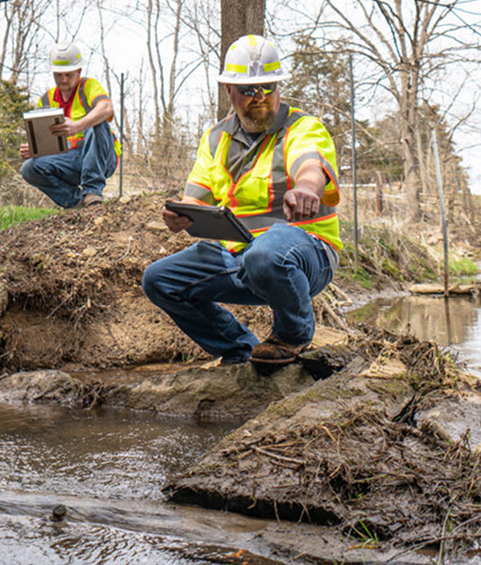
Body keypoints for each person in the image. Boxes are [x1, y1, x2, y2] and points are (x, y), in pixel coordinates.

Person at [143, 35, 341, 371]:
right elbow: (197, 195)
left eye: (268, 87)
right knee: (159, 280)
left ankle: (291, 337)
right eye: (249, 90)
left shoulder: (303, 127)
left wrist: (307, 187)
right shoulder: (216, 138)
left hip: (306, 255)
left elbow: (310, 165)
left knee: (267, 253)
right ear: (229, 91)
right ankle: (239, 348)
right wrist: (180, 213)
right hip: (240, 256)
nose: (260, 97)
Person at [19, 42, 119, 208]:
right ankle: (77, 202)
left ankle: (92, 192)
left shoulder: (89, 86)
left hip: (102, 158)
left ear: (78, 72)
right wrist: (37, 150)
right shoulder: (46, 100)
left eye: (68, 75)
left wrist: (78, 126)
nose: (63, 79)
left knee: (96, 122)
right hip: (71, 160)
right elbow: (50, 141)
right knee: (30, 168)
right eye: (59, 75)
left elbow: (106, 109)